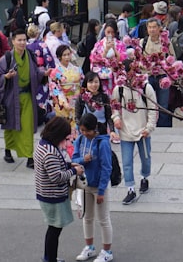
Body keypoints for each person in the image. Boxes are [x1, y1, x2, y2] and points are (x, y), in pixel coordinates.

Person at [35, 116, 85, 262]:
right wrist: (75, 171)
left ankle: (49, 257)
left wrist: (70, 165)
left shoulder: (43, 145)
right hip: (52, 196)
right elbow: (57, 177)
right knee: (54, 230)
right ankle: (50, 258)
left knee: (53, 229)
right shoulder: (50, 152)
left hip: (45, 193)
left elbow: (56, 166)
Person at [0, 28, 45, 167]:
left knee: (27, 126)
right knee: (11, 126)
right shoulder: (6, 59)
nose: (22, 43)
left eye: (24, 40)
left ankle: (29, 157)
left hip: (27, 96)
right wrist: (6, 76)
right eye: (19, 40)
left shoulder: (31, 55)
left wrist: (43, 74)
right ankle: (8, 150)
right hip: (11, 97)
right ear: (13, 41)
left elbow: (35, 73)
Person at [71, 112, 114, 262]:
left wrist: (102, 190)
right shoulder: (80, 140)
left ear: (94, 128)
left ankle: (107, 251)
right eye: (81, 130)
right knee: (87, 217)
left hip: (97, 186)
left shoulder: (102, 143)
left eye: (86, 130)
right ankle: (89, 247)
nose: (84, 133)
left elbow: (106, 167)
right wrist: (83, 159)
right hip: (84, 185)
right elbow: (74, 159)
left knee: (103, 219)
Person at [112, 73, 158, 205]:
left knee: (146, 158)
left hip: (143, 130)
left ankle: (144, 177)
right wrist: (116, 119)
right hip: (126, 131)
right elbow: (114, 107)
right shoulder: (119, 89)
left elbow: (152, 109)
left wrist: (149, 128)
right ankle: (130, 189)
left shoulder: (146, 88)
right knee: (126, 162)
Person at [49, 45, 83, 134]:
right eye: (64, 55)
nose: (67, 57)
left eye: (69, 54)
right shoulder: (56, 71)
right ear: (59, 57)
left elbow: (82, 83)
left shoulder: (77, 69)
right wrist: (64, 102)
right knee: (63, 127)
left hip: (76, 100)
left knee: (76, 126)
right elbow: (55, 88)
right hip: (62, 101)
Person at [77, 72, 113, 136]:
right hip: (86, 133)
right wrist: (81, 131)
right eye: (90, 82)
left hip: (102, 132)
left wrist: (112, 131)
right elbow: (77, 117)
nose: (94, 85)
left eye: (96, 82)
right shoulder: (82, 98)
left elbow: (109, 116)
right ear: (86, 83)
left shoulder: (104, 97)